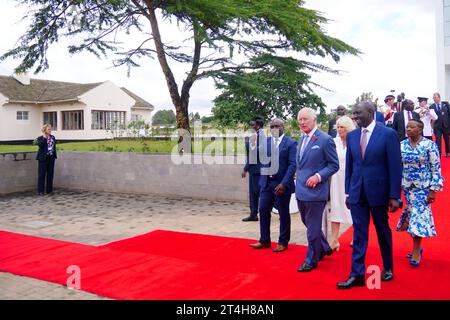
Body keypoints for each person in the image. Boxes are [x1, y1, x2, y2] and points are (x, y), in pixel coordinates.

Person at [337, 101, 402, 289]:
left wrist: (394, 195)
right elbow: (351, 166)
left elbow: (395, 167)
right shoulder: (352, 136)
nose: (355, 117)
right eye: (353, 114)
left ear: (371, 112)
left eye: (358, 113)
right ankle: (356, 274)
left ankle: (388, 267)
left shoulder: (388, 134)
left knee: (382, 231)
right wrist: (348, 192)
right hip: (357, 193)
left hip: (380, 193)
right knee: (359, 234)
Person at [295, 108, 339, 272]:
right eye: (300, 119)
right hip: (300, 191)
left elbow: (334, 165)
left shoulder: (325, 139)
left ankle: (311, 260)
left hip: (316, 193)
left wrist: (318, 177)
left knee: (312, 229)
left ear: (314, 120)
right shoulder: (301, 139)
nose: (302, 122)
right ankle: (325, 247)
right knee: (308, 223)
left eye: (305, 119)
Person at [396, 119, 444, 267]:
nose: (408, 129)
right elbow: (398, 165)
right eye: (407, 127)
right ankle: (417, 247)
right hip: (407, 187)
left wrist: (433, 190)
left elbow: (435, 167)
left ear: (420, 129)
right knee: (412, 215)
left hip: (423, 188)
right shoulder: (402, 145)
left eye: (412, 127)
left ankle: (416, 251)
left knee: (418, 216)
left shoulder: (429, 145)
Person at [249, 118, 297, 252]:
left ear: (283, 127)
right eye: (272, 126)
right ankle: (264, 240)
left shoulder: (290, 143)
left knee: (283, 214)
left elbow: (293, 165)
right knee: (263, 210)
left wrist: (284, 183)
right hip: (266, 183)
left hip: (281, 185)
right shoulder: (266, 142)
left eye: (277, 126)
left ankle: (283, 242)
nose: (274, 129)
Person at [328, 116, 355, 252]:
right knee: (336, 207)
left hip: (352, 179)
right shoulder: (334, 142)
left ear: (348, 128)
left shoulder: (355, 141)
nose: (339, 130)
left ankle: (356, 236)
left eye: (342, 127)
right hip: (336, 180)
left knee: (354, 208)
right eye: (337, 127)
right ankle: (333, 239)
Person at [242, 117, 265, 222]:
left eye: (253, 125)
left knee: (258, 192)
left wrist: (245, 168)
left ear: (258, 126)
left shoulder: (260, 137)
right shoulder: (255, 136)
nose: (251, 127)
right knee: (254, 193)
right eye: (250, 125)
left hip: (257, 169)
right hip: (254, 169)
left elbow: (253, 155)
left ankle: (264, 211)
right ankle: (253, 214)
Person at [36, 124, 57, 196]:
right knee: (42, 175)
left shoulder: (53, 137)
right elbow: (40, 145)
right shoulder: (40, 138)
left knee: (50, 175)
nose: (50, 130)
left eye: (50, 129)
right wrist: (45, 138)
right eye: (48, 129)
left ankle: (49, 190)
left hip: (51, 158)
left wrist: (53, 154)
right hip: (43, 159)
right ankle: (40, 191)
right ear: (45, 130)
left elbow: (53, 146)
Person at [430, 92, 450, 157]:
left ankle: (448, 152)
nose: (434, 99)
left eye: (435, 97)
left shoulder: (446, 104)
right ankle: (439, 153)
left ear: (439, 97)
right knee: (438, 140)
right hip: (437, 126)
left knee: (447, 139)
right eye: (433, 98)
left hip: (445, 126)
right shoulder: (432, 106)